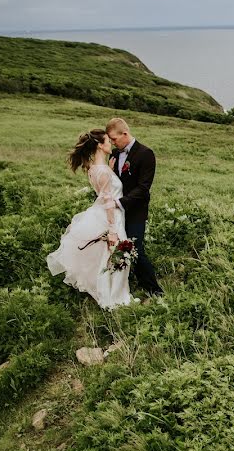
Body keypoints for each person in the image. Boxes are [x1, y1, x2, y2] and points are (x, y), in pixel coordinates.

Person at [46, 129, 134, 309]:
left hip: (102, 213)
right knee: (118, 256)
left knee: (108, 258)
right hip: (111, 217)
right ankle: (115, 298)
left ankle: (111, 294)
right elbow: (109, 201)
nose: (111, 143)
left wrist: (109, 171)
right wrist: (112, 230)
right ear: (101, 145)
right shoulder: (102, 171)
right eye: (108, 141)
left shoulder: (95, 169)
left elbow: (104, 191)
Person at [106, 117, 163, 296]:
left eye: (114, 139)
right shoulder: (114, 154)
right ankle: (124, 283)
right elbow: (114, 183)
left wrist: (120, 202)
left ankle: (154, 290)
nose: (113, 143)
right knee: (119, 248)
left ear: (125, 133)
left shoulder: (146, 153)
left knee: (136, 249)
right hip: (116, 212)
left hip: (136, 210)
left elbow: (143, 188)